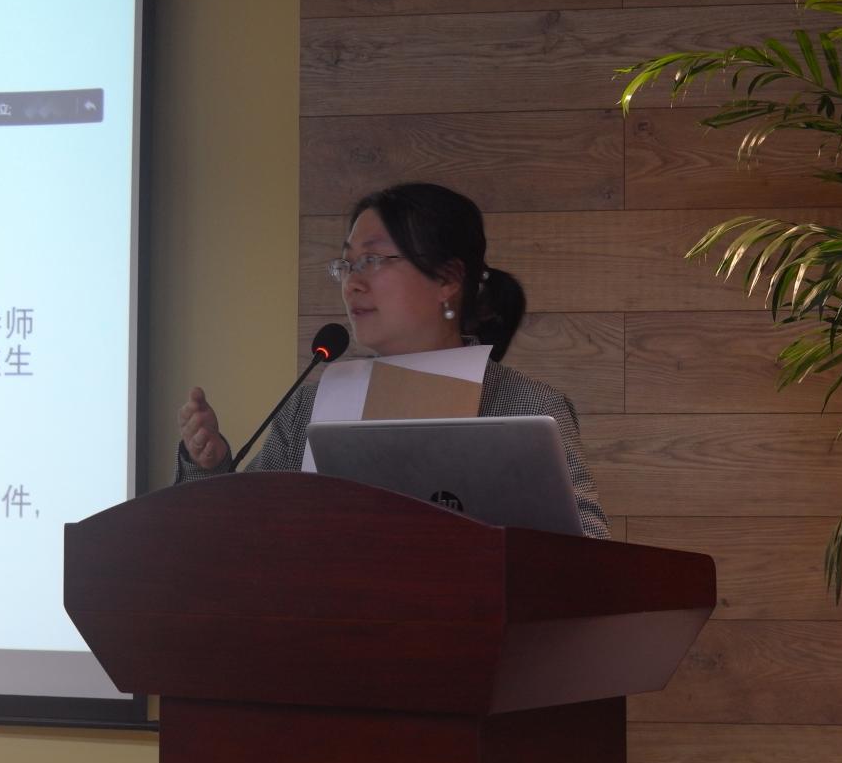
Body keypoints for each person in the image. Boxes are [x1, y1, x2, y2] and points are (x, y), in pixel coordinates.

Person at [176, 182, 611, 539]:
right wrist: (210, 467)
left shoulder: (526, 406)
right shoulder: (308, 406)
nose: (352, 284)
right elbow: (242, 533)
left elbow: (585, 552)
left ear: (447, 279)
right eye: (346, 265)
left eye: (372, 260)